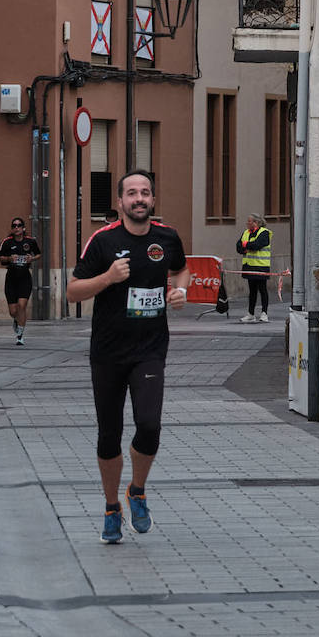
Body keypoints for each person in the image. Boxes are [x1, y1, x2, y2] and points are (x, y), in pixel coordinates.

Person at [67, 170, 190, 544]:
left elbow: (181, 269)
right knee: (109, 434)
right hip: (107, 353)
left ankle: (136, 490)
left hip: (150, 350)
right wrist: (107, 278)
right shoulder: (103, 241)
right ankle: (110, 507)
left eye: (146, 193)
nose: (139, 199)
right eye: (132, 193)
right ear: (120, 202)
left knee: (149, 425)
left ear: (153, 200)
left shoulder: (166, 238)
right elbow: (72, 291)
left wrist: (180, 291)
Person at [0, 217, 42, 346]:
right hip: (11, 278)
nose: (16, 228)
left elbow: (38, 254)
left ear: (23, 228)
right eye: (14, 226)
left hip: (24, 277)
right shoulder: (6, 242)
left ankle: (20, 335)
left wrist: (31, 259)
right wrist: (9, 258)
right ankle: (16, 321)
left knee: (22, 306)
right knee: (13, 311)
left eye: (19, 225)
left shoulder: (30, 241)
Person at [235, 213, 272, 323]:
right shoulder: (246, 233)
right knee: (252, 291)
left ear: (256, 223)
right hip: (249, 266)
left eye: (249, 221)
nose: (247, 223)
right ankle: (250, 314)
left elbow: (257, 245)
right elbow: (238, 247)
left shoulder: (264, 233)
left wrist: (246, 245)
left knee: (263, 290)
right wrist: (246, 246)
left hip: (261, 266)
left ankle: (264, 313)